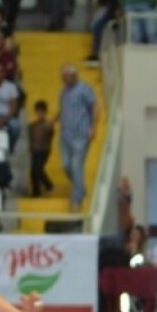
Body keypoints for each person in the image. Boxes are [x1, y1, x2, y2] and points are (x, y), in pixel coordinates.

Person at [57, 64, 98, 212]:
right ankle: (80, 188)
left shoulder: (84, 89)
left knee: (76, 166)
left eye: (65, 76)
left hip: (81, 135)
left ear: (74, 75)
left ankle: (76, 199)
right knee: (66, 165)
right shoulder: (63, 92)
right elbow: (63, 110)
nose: (63, 79)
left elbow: (94, 108)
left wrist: (93, 127)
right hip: (65, 135)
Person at [29, 100, 56, 197]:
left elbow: (51, 133)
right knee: (33, 171)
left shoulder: (47, 125)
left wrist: (50, 127)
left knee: (38, 169)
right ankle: (36, 191)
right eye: (38, 112)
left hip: (44, 150)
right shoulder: (32, 126)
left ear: (45, 112)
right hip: (35, 150)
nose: (39, 114)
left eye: (41, 112)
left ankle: (48, 186)